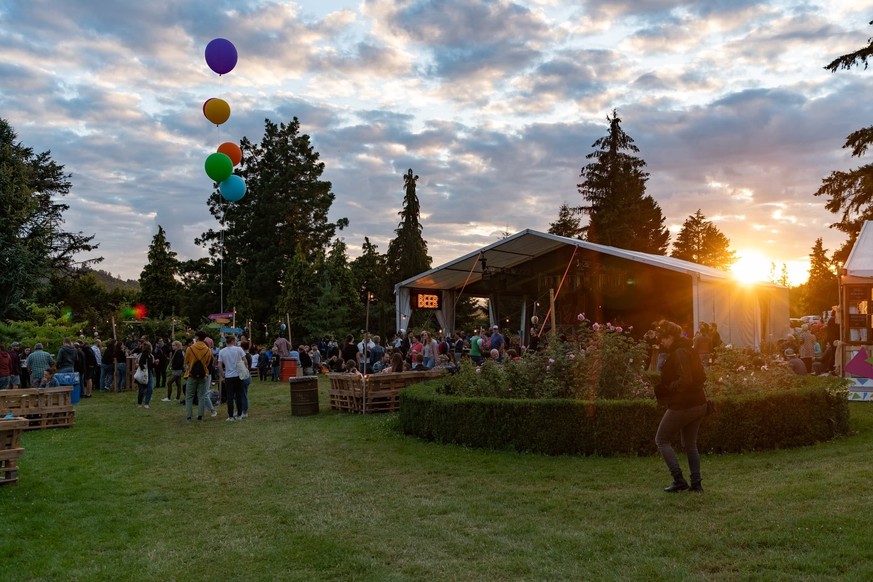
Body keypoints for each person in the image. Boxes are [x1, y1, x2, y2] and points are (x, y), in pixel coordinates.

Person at [654, 320, 708, 493]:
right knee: (690, 444)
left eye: (663, 339)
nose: (661, 342)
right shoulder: (689, 349)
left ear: (670, 337)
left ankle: (678, 480)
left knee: (661, 440)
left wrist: (668, 388)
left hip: (685, 404)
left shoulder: (679, 352)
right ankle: (696, 484)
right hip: (700, 402)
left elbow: (686, 380)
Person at [184, 330, 214, 422]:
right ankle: (200, 416)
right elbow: (208, 363)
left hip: (192, 374)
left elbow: (186, 362)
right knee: (201, 396)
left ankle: (189, 416)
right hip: (203, 375)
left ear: (197, 337)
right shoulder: (208, 350)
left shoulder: (190, 348)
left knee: (189, 396)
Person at [218, 335, 246, 421]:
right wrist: (245, 370)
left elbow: (219, 365)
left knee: (229, 397)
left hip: (228, 376)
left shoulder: (222, 351)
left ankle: (230, 416)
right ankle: (239, 414)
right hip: (238, 375)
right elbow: (245, 360)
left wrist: (223, 375)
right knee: (239, 395)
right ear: (233, 341)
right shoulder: (239, 349)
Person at [134, 341, 155, 409]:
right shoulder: (144, 355)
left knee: (149, 388)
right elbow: (141, 364)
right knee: (142, 389)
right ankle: (141, 403)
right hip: (144, 373)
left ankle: (146, 403)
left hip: (149, 373)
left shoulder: (150, 355)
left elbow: (150, 365)